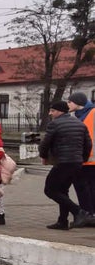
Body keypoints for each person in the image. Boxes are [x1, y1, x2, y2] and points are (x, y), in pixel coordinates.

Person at [39, 100, 95, 230]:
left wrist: (44, 156)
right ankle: (62, 221)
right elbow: (88, 144)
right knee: (63, 190)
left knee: (50, 190)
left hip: (62, 163)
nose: (50, 113)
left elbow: (45, 143)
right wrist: (82, 159)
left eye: (52, 111)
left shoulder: (54, 124)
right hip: (76, 163)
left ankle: (79, 212)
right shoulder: (80, 124)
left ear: (59, 111)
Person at [67, 92, 95, 216]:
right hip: (84, 159)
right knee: (86, 189)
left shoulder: (92, 113)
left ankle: (89, 214)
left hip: (90, 159)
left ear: (77, 102)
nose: (68, 104)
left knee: (87, 188)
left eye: (69, 102)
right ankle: (89, 214)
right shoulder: (80, 115)